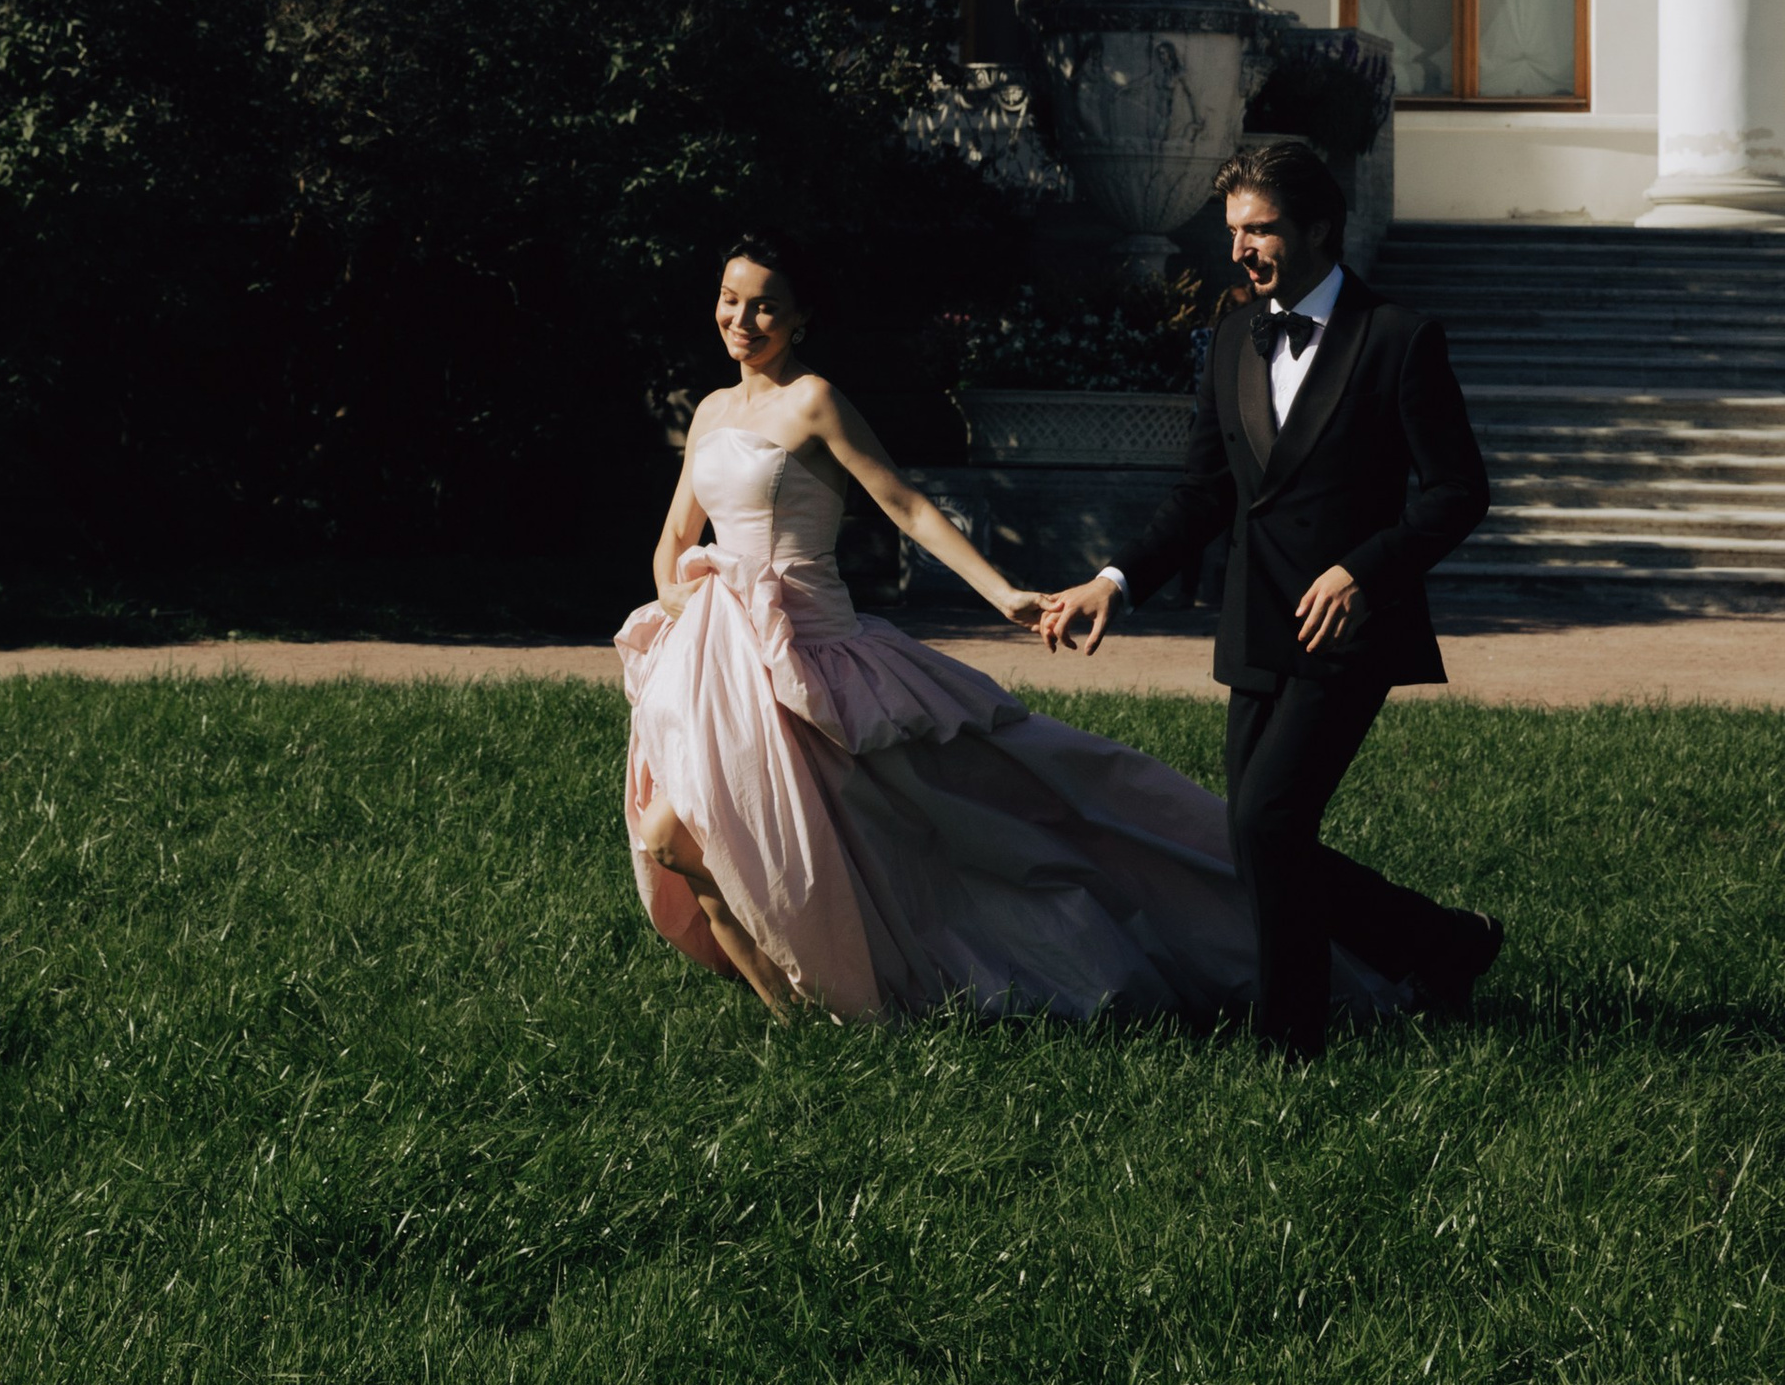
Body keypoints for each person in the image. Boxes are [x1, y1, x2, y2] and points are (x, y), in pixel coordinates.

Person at [617, 232, 1407, 1028]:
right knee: (680, 842)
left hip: (812, 653)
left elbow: (909, 506)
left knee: (957, 825)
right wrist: (678, 603)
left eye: (764, 306)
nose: (742, 319)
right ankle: (801, 1022)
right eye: (730, 299)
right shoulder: (712, 409)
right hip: (720, 655)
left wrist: (1002, 593)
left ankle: (843, 1011)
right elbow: (674, 538)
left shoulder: (814, 400)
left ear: (801, 317)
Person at [1040, 137, 1505, 1060]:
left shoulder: (1399, 338)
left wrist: (1365, 568)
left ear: (1321, 228)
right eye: (1234, 233)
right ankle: (1442, 944)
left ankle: (1289, 1044)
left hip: (1353, 625)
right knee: (1255, 837)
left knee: (1268, 819)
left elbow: (1459, 492)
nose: (1241, 251)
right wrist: (1114, 580)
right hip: (1257, 622)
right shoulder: (1228, 345)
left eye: (1261, 231)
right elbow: (1203, 496)